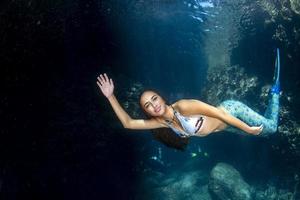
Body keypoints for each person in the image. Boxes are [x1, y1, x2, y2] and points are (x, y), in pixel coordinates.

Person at [96, 49, 280, 149]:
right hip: (227, 128)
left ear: (161, 97)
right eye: (148, 105)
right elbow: (128, 123)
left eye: (155, 98)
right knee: (263, 134)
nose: (154, 105)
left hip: (231, 111)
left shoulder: (183, 107)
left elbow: (219, 113)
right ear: (147, 111)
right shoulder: (163, 123)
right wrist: (110, 96)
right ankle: (264, 114)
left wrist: (247, 129)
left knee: (271, 129)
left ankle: (274, 92)